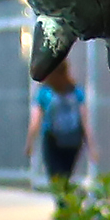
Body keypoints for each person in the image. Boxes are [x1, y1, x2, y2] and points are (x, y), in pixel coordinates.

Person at [34, 61, 90, 192]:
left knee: (55, 177)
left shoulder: (45, 92)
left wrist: (29, 143)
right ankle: (66, 205)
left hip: (52, 140)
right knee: (65, 176)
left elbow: (35, 120)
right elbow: (84, 120)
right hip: (73, 141)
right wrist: (91, 146)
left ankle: (63, 205)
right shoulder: (76, 91)